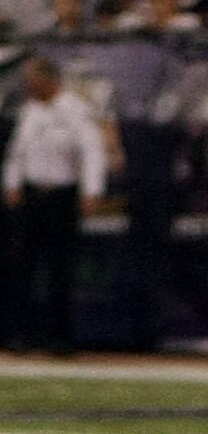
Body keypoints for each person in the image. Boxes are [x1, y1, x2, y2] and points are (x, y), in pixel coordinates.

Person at [2, 56, 106, 352]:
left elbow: (92, 150)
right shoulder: (30, 111)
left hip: (62, 196)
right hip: (32, 197)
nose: (26, 85)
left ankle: (60, 337)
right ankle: (22, 334)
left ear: (48, 80)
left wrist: (92, 190)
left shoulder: (75, 109)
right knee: (23, 266)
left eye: (31, 79)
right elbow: (17, 153)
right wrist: (11, 184)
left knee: (60, 267)